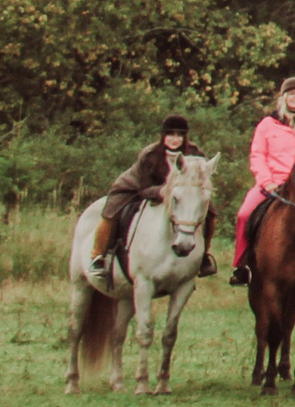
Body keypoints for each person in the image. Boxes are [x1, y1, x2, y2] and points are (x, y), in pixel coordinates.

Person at [230, 77, 295, 285]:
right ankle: (243, 266)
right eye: (292, 94)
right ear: (283, 98)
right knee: (244, 214)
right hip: (274, 183)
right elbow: (257, 155)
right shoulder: (267, 125)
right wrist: (266, 182)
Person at [89, 115, 210, 284]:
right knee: (111, 213)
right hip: (134, 188)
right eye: (170, 134)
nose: (175, 139)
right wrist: (163, 191)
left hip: (177, 193)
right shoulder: (150, 155)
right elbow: (144, 188)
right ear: (163, 136)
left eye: (179, 135)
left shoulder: (195, 153)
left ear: (185, 137)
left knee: (210, 211)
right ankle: (98, 257)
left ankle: (204, 257)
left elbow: (202, 177)